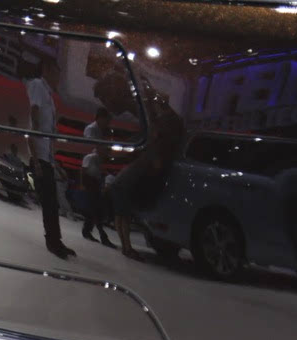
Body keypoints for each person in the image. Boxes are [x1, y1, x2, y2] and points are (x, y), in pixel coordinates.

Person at [95, 72, 184, 260]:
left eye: (105, 99)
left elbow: (153, 132)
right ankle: (126, 245)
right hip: (160, 146)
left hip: (164, 147)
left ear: (114, 93)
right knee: (120, 188)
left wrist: (150, 153)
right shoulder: (140, 101)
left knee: (120, 187)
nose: (106, 106)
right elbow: (148, 133)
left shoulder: (140, 101)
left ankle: (127, 245)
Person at [26, 54, 75, 259]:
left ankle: (57, 240)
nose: (58, 78)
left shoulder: (48, 93)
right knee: (49, 202)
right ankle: (52, 242)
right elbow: (34, 112)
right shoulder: (38, 85)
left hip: (46, 156)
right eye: (56, 73)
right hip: (40, 156)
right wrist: (37, 160)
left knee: (53, 202)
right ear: (46, 69)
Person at [81, 107, 115, 247]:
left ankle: (88, 230)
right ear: (101, 118)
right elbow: (90, 148)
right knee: (95, 205)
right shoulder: (91, 130)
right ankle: (100, 233)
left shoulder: (100, 131)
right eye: (107, 120)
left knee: (94, 205)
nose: (108, 123)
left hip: (95, 171)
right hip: (89, 171)